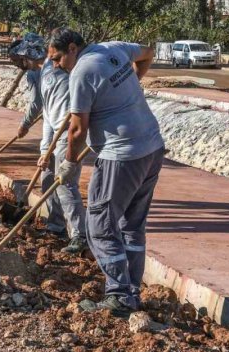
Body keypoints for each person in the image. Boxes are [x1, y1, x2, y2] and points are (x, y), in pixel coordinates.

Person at [47, 27, 164, 317]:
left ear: (73, 48)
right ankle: (132, 290)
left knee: (99, 226)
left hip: (121, 155)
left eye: (58, 57)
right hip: (151, 146)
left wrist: (69, 165)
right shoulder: (113, 48)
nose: (55, 64)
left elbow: (77, 129)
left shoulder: (81, 73)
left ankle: (120, 297)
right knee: (132, 226)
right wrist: (133, 82)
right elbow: (148, 52)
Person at [8, 33, 87, 254]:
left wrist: (52, 143)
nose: (22, 64)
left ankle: (80, 235)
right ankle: (56, 227)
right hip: (55, 133)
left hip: (68, 134)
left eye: (22, 59)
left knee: (65, 183)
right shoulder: (43, 74)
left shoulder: (56, 73)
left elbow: (63, 114)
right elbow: (48, 115)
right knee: (48, 179)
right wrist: (45, 150)